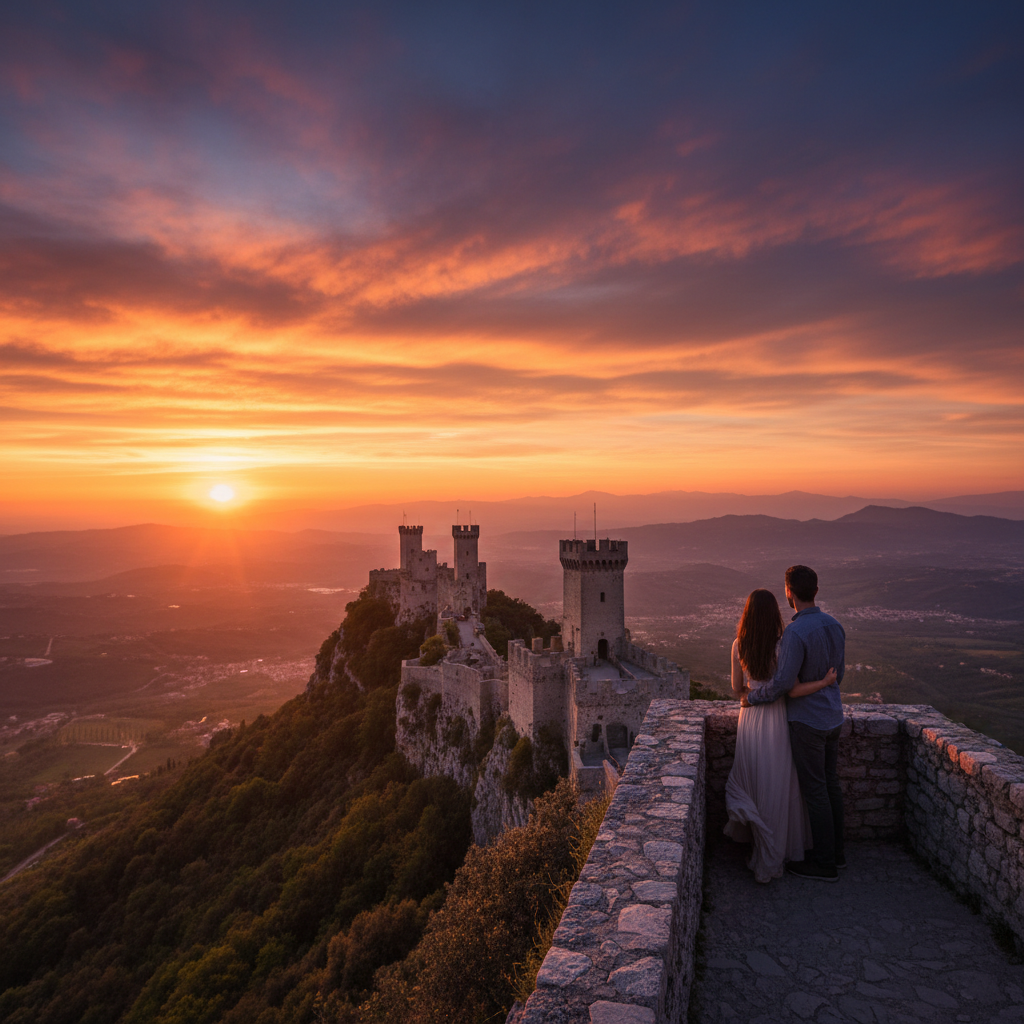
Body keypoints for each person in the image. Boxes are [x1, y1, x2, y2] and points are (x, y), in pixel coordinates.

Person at [724, 588, 837, 882]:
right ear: (774, 614)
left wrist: (752, 692)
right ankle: (775, 850)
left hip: (748, 719)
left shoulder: (738, 645)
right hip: (776, 719)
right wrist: (824, 682)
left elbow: (738, 690)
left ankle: (758, 845)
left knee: (755, 780)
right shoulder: (781, 647)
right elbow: (792, 688)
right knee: (778, 783)